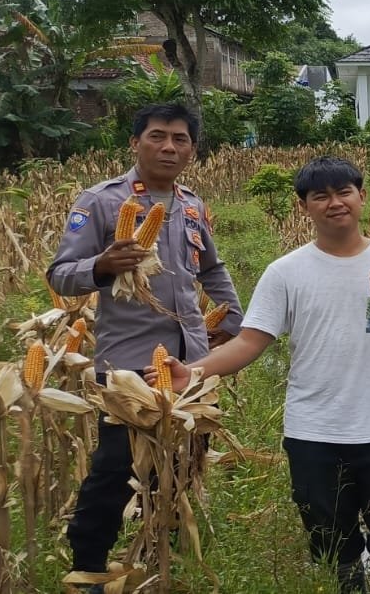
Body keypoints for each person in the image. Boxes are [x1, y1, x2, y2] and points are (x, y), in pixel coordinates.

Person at [153, 156, 370, 592]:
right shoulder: (286, 272)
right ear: (304, 206)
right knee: (332, 538)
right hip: (314, 430)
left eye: (343, 192)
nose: (334, 203)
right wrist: (191, 373)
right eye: (320, 196)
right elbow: (250, 341)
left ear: (362, 197)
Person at [48, 104, 243, 589]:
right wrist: (103, 265)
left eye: (180, 139)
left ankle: (162, 550)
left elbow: (211, 269)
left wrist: (232, 318)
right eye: (157, 136)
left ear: (193, 150)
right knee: (115, 470)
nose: (169, 147)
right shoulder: (100, 202)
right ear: (135, 143)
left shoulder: (192, 204)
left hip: (192, 363)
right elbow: (59, 275)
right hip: (130, 368)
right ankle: (89, 564)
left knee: (182, 463)